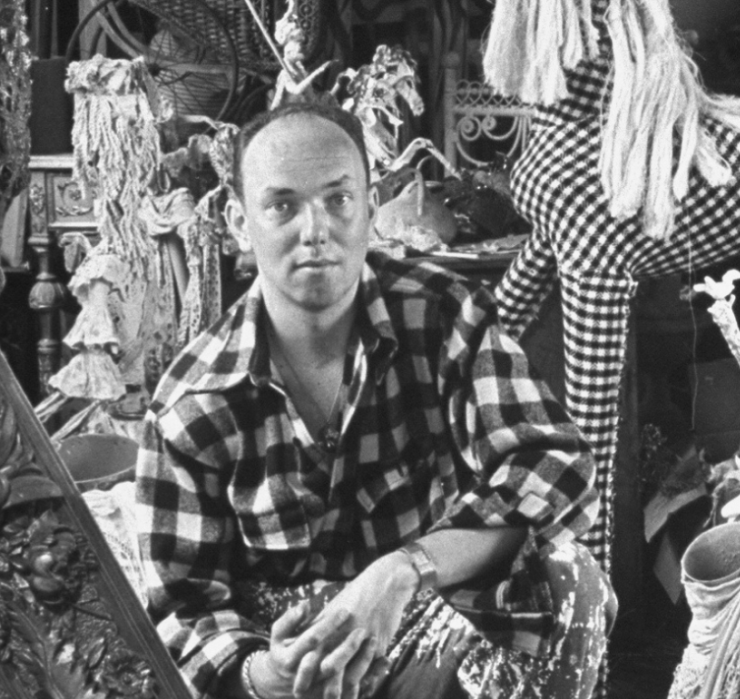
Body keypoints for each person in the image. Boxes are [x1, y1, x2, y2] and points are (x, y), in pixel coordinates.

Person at [135, 101, 616, 699]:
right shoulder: (191, 402)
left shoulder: (441, 315)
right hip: (290, 668)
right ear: (238, 222)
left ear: (369, 206)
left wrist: (403, 570)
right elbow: (181, 613)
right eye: (282, 205)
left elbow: (556, 467)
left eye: (338, 200)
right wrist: (268, 677)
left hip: (421, 630)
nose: (315, 231)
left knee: (569, 577)